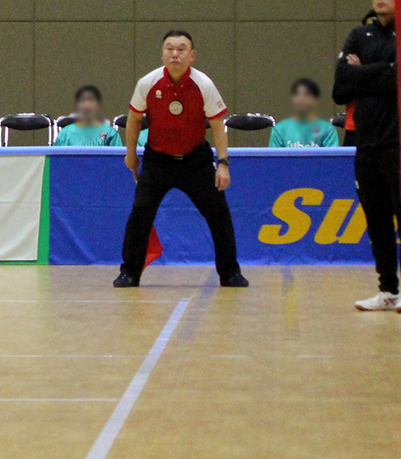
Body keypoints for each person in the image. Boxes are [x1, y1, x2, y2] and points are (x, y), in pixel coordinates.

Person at [115, 30, 247, 289]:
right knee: (140, 212)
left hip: (195, 161)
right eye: (170, 49)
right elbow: (134, 119)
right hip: (157, 161)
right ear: (162, 53)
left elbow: (217, 125)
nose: (175, 54)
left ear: (192, 55)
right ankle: (129, 273)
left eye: (181, 49)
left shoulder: (203, 84)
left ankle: (230, 273)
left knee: (219, 214)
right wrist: (130, 154)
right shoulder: (148, 82)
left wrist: (223, 164)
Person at [335, 0, 401, 311]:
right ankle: (387, 290)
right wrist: (382, 68)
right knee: (377, 222)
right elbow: (340, 87)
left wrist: (362, 72)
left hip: (399, 144)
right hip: (366, 144)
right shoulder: (359, 34)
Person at [270, 78, 340, 148]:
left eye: (306, 94)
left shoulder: (328, 130)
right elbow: (274, 154)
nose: (300, 99)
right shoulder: (279, 130)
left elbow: (332, 154)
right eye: (296, 94)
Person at [52, 86, 121, 146]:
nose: (87, 105)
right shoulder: (65, 134)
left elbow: (119, 156)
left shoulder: (110, 133)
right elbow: (55, 156)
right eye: (83, 100)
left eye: (91, 100)